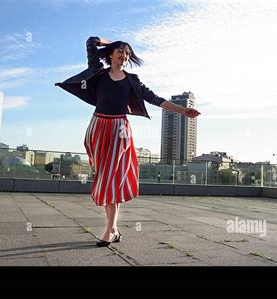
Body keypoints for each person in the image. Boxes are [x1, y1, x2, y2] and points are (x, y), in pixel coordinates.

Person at [55, 36, 200, 247]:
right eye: (120, 51)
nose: (124, 55)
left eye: (127, 53)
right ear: (112, 54)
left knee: (112, 179)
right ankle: (113, 229)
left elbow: (155, 98)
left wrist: (183, 110)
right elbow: (91, 42)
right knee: (105, 177)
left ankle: (108, 230)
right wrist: (112, 42)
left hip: (120, 130)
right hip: (98, 127)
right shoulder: (98, 71)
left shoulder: (133, 80)